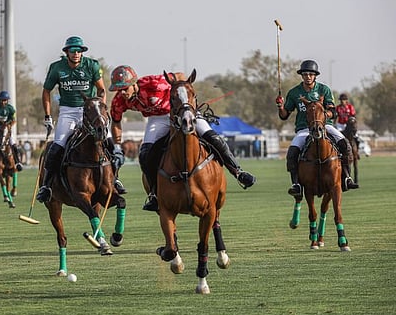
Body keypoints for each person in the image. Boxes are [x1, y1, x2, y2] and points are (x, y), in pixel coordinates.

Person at [109, 65, 256, 212]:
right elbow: (116, 121)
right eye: (118, 89)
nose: (122, 93)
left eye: (125, 88)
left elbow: (179, 75)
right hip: (157, 119)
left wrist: (186, 97)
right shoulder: (118, 101)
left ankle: (238, 172)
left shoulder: (153, 83)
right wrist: (116, 146)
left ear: (134, 83)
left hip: (181, 112)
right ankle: (154, 194)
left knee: (213, 138)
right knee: (144, 154)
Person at [36, 36, 125, 203]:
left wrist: (101, 112)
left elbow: (101, 90)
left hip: (90, 111)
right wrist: (47, 116)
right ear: (67, 52)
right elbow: (46, 91)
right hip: (68, 111)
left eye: (79, 51)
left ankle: (115, 180)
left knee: (107, 142)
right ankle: (46, 186)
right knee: (58, 144)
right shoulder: (57, 68)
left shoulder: (91, 65)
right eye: (73, 51)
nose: (76, 54)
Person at [275, 60, 359, 196]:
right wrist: (281, 107)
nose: (308, 76)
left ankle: (347, 177)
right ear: (301, 75)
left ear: (315, 76)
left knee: (345, 144)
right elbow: (284, 116)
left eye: (310, 74)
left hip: (325, 126)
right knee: (292, 153)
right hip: (304, 129)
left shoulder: (323, 90)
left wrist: (324, 114)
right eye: (305, 74)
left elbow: (333, 111)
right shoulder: (294, 93)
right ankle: (296, 184)